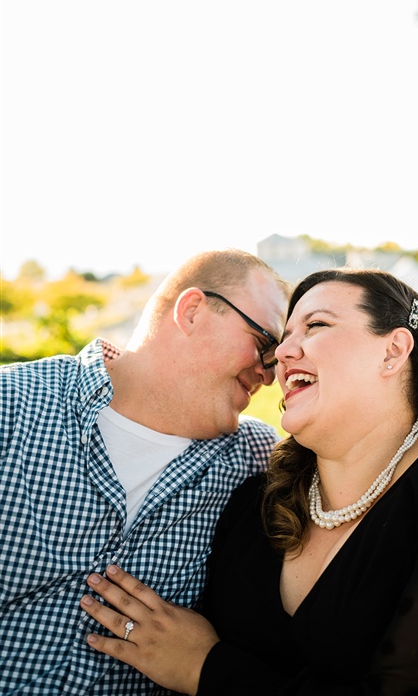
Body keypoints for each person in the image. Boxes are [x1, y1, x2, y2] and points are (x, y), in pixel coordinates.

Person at [80, 267, 418, 696]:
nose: (280, 354)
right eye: (281, 339)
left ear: (393, 351)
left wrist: (206, 669)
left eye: (315, 325)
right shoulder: (254, 503)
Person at [0, 248, 292, 695]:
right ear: (192, 310)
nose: (269, 374)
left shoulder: (257, 458)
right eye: (264, 343)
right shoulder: (12, 408)